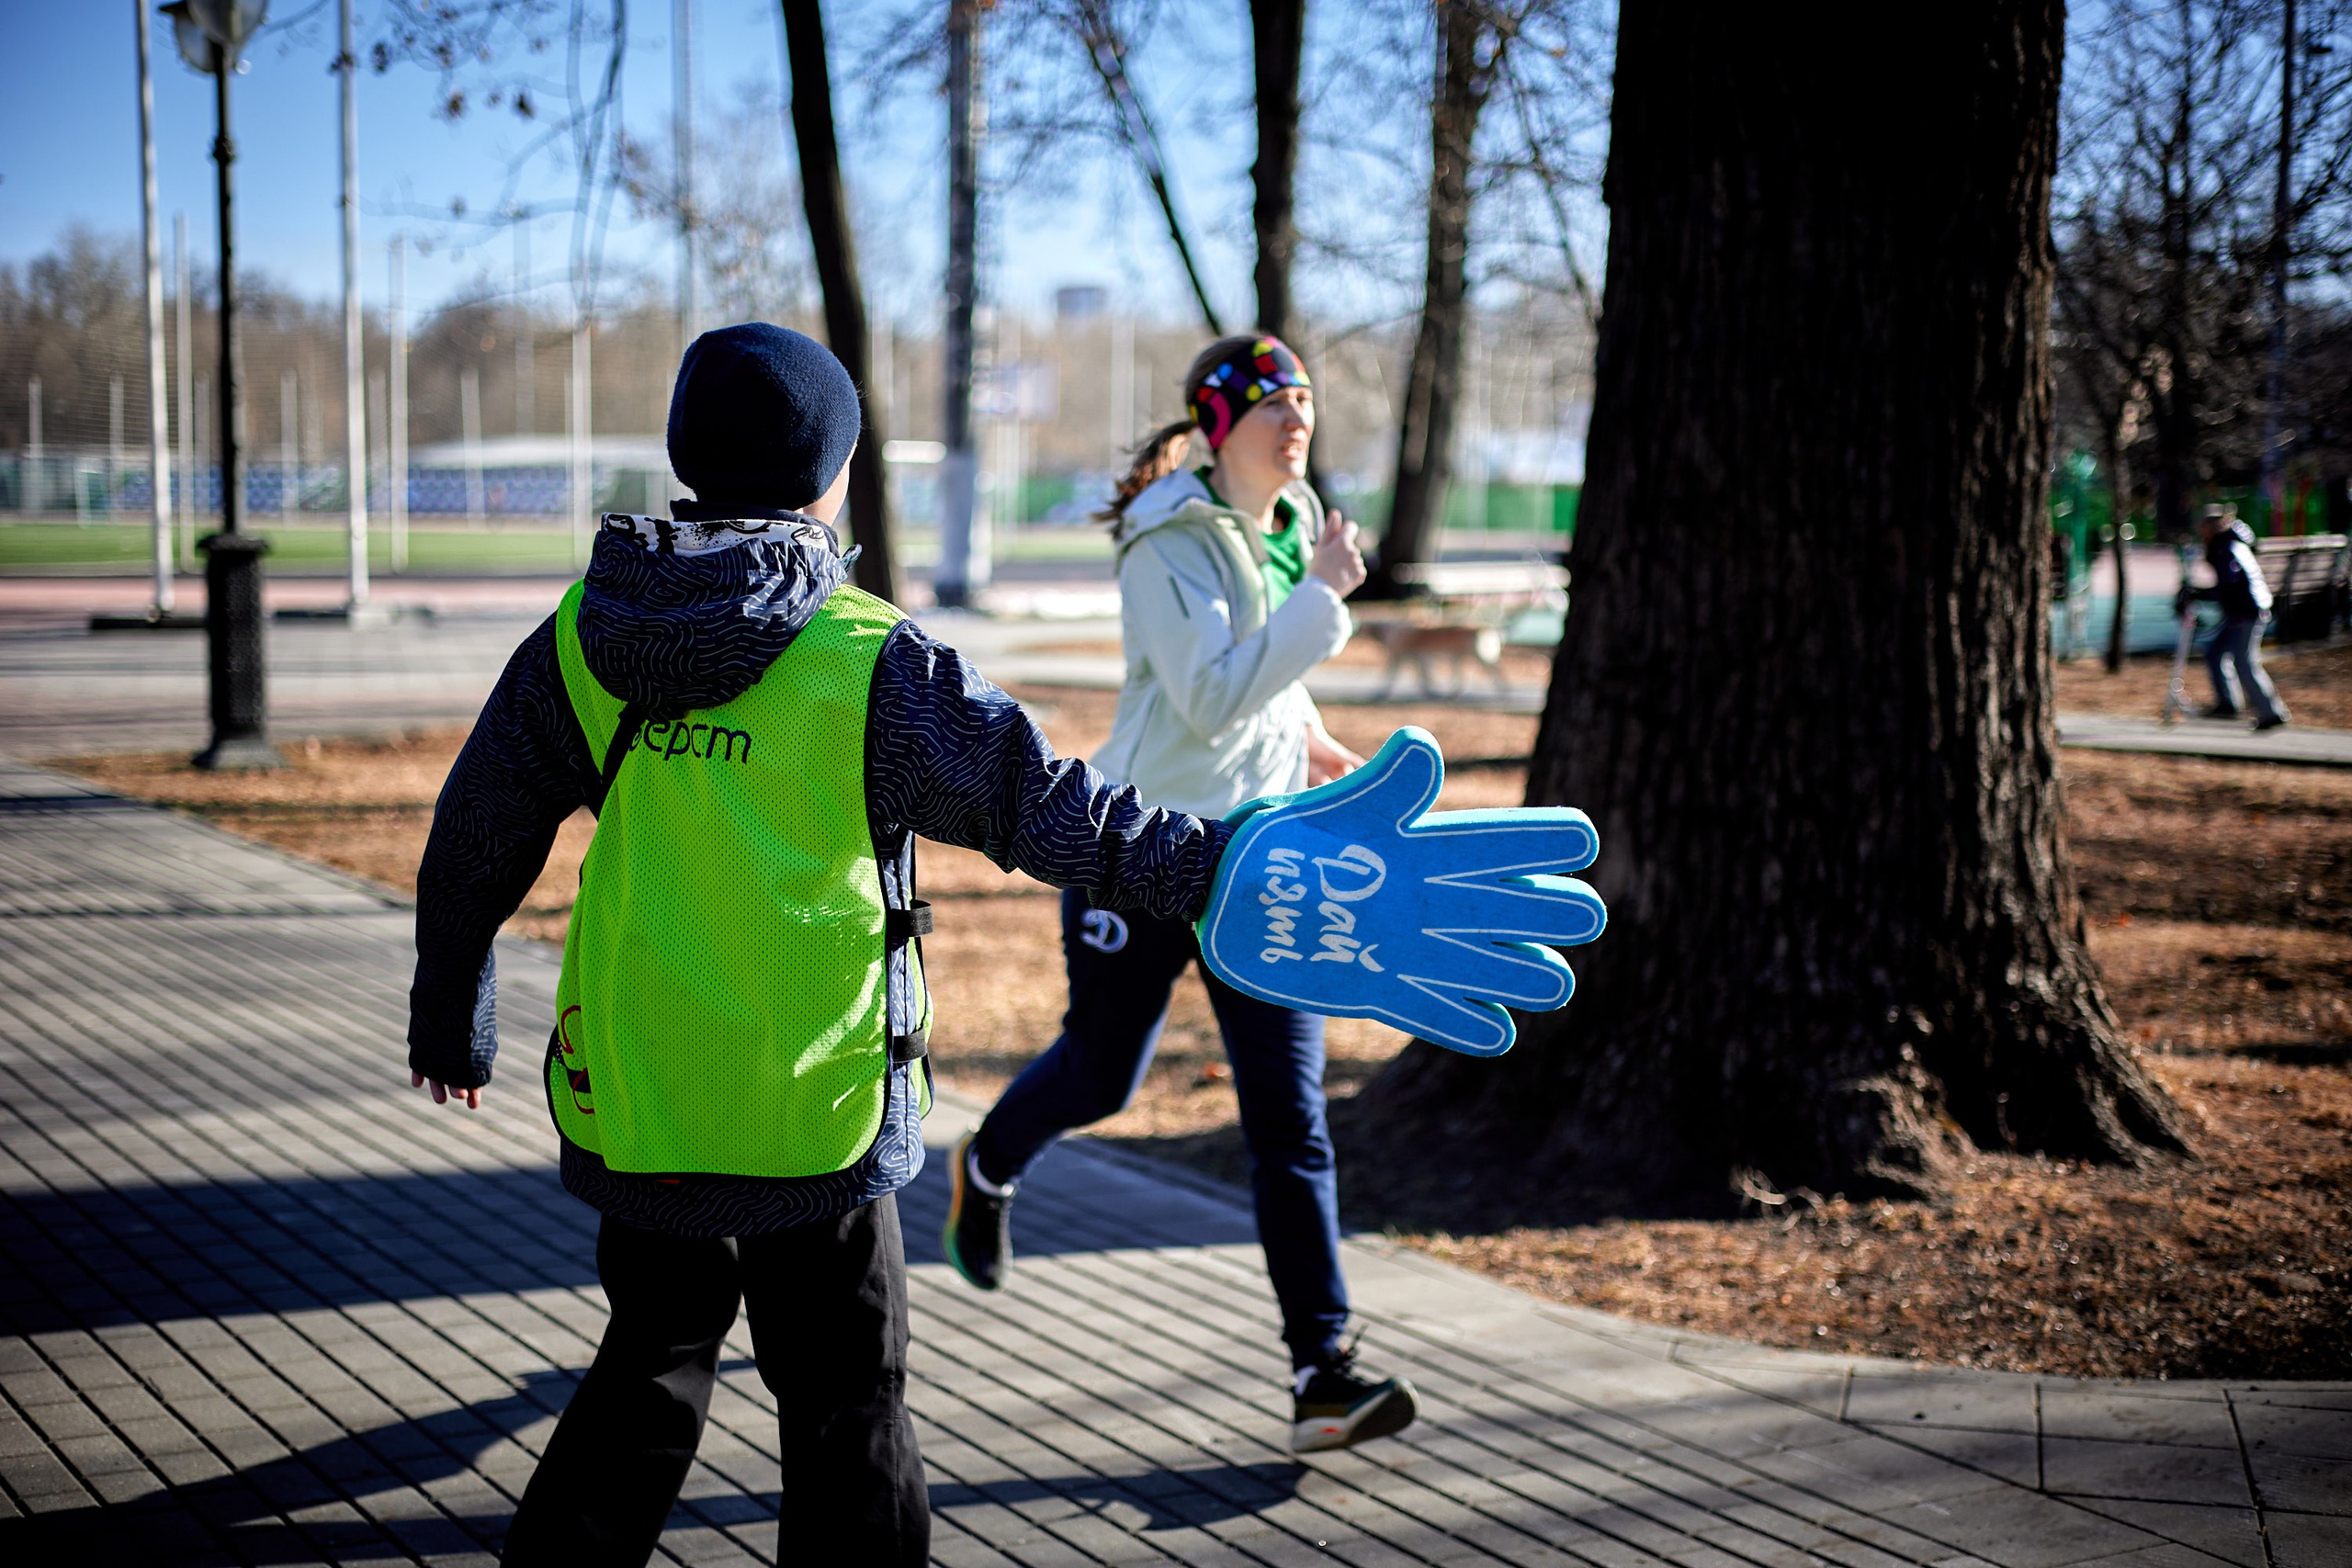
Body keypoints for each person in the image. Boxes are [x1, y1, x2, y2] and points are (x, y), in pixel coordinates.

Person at [405, 323, 1238, 1567]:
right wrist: (1217, 863)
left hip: (641, 1091)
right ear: (831, 472)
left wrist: (449, 1012)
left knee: (647, 1364)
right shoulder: (867, 658)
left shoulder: (585, 634)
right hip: (816, 1109)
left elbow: (477, 830)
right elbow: (1043, 806)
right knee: (849, 1401)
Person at [940, 333, 1420, 1456]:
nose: (1295, 418)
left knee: (1289, 1122)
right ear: (1216, 425)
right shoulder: (1167, 541)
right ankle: (987, 1164)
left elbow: (1267, 690)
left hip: (1261, 864)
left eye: (1302, 399)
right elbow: (1207, 697)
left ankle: (1321, 1373)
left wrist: (1316, 750)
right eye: (1270, 403)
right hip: (1143, 849)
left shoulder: (1290, 528)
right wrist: (1324, 599)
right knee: (1102, 1076)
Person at [2178, 502, 2289, 730]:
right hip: (2242, 611)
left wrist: (2200, 593)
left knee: (2244, 662)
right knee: (2215, 652)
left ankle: (2271, 712)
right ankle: (2228, 705)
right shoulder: (2232, 543)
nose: (2203, 532)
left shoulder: (2225, 548)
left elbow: (2229, 585)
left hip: (2246, 613)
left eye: (2206, 527)